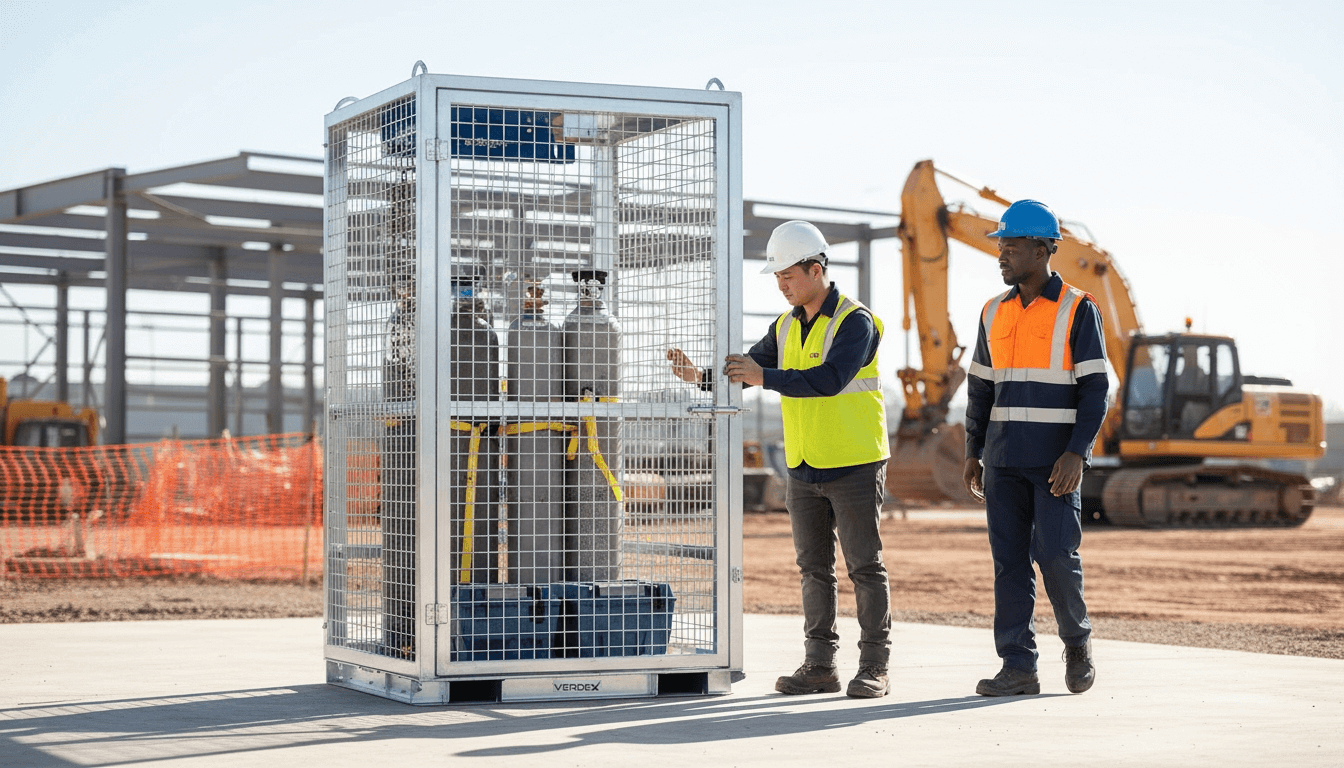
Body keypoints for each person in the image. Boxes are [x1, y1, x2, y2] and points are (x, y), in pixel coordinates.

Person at [668, 220, 892, 698]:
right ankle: (820, 666)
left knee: (864, 568)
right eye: (777, 277)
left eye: (788, 275)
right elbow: (749, 369)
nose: (781, 285)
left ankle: (874, 665)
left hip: (855, 461)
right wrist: (701, 376)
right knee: (814, 569)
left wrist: (763, 377)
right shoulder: (786, 325)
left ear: (815, 270)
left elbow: (828, 380)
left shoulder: (855, 322)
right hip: (805, 464)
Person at [962, 199, 1107, 696]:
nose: (1001, 255)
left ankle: (1077, 644)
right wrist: (973, 451)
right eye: (1000, 246)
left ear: (1042, 250)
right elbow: (980, 388)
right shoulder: (992, 311)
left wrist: (1077, 453)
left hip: (1053, 463)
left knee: (1056, 557)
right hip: (1002, 461)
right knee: (1009, 565)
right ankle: (1018, 666)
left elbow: (1095, 389)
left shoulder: (1078, 308)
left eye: (1011, 246)